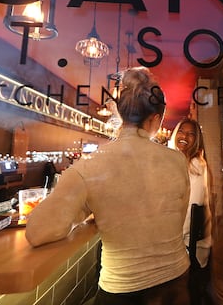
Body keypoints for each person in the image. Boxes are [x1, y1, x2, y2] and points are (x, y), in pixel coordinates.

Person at [25, 66, 191, 305]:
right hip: (176, 282)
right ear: (155, 119)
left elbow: (37, 232)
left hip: (123, 288)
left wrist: (85, 210)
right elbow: (175, 216)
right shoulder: (177, 160)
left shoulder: (89, 166)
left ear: (121, 114)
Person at [169, 118, 212, 305]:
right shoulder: (175, 162)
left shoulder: (196, 166)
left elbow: (191, 211)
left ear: (197, 140)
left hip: (189, 248)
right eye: (181, 131)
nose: (185, 136)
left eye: (191, 133)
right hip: (182, 245)